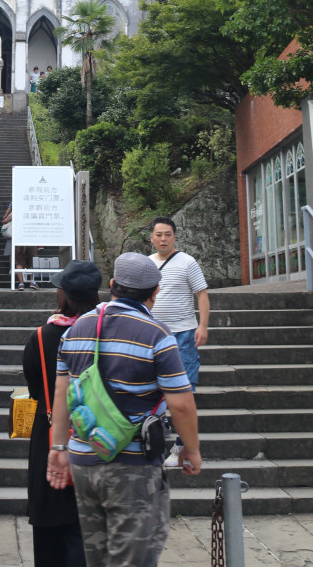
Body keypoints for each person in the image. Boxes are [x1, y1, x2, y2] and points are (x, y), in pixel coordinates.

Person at [48, 252, 201, 567]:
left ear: (113, 285)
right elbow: (181, 404)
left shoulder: (73, 331)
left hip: (83, 459)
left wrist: (59, 447)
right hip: (132, 467)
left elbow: (61, 392)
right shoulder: (157, 335)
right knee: (133, 559)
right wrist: (192, 450)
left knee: (97, 558)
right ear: (154, 293)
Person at [22, 260, 102, 567]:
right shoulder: (103, 333)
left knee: (49, 528)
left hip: (51, 435)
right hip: (96, 435)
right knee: (84, 530)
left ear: (63, 295)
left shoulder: (41, 337)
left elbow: (35, 389)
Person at [148, 215, 209, 465]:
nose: (163, 239)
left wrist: (203, 326)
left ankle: (180, 447)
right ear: (151, 238)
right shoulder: (147, 264)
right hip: (153, 334)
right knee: (154, 388)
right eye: (159, 234)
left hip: (183, 334)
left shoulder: (187, 262)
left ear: (175, 236)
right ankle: (157, 435)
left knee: (184, 390)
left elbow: (202, 295)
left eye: (168, 234)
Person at [1, 202, 36, 290]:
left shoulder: (16, 212)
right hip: (29, 238)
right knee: (30, 261)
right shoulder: (33, 211)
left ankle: (22, 283)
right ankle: (31, 281)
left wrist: (7, 217)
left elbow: (4, 221)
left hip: (20, 238)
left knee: (20, 261)